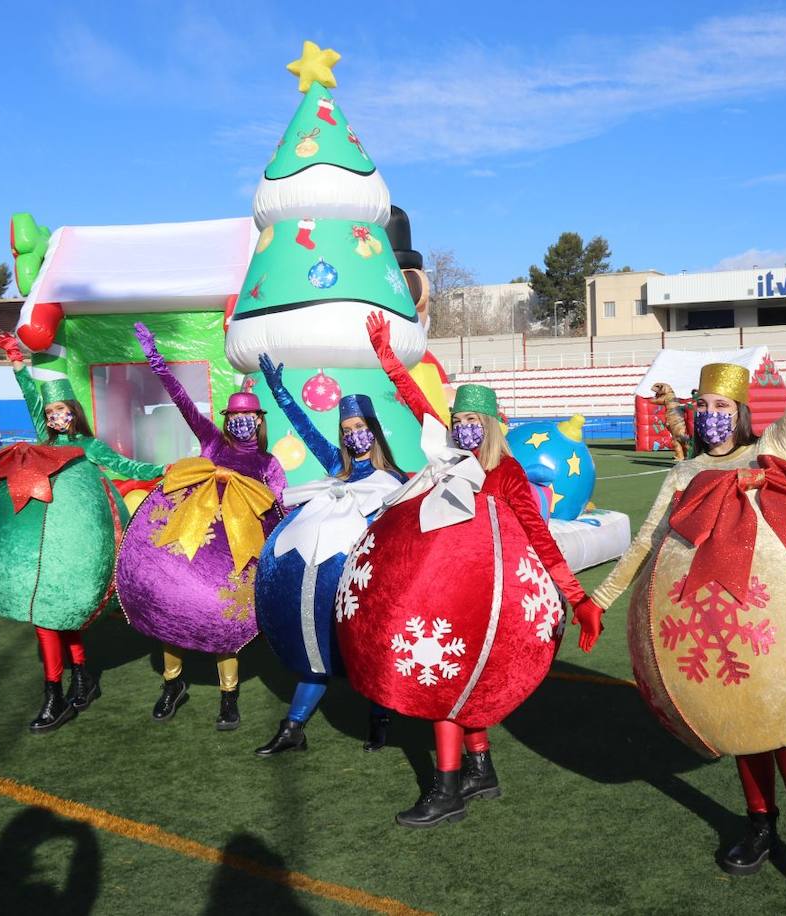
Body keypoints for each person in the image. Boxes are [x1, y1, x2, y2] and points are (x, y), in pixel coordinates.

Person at [590, 287, 786, 890]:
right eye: (701, 405)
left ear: (736, 413)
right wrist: (598, 600)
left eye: (719, 405)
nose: (710, 415)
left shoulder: (769, 450)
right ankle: (760, 824)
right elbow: (646, 544)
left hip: (781, 615)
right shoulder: (684, 473)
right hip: (717, 619)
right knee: (745, 726)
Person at [335, 312, 604, 828]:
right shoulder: (448, 458)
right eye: (458, 421)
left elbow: (540, 538)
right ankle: (480, 770)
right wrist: (388, 357)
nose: (462, 428)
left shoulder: (506, 474)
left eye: (472, 422)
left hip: (490, 605)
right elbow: (420, 407)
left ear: (491, 425)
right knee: (464, 685)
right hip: (447, 598)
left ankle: (448, 789)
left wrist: (579, 599)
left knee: (448, 688)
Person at [0, 330, 169, 734]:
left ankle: (79, 675)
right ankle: (55, 692)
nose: (57, 418)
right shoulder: (43, 442)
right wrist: (15, 358)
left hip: (78, 543)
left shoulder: (90, 446)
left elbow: (130, 468)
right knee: (47, 616)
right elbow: (32, 392)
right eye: (51, 414)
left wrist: (163, 471)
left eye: (63, 411)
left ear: (75, 412)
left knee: (69, 613)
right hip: (42, 542)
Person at [116, 323, 286, 731]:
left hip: (237, 555)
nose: (242, 425)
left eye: (249, 419)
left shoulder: (269, 464)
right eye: (236, 418)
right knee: (172, 604)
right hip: (192, 542)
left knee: (226, 617)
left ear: (258, 422)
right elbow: (182, 401)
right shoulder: (213, 444)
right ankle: (172, 683)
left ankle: (229, 697)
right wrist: (154, 359)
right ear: (227, 421)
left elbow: (278, 508)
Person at [252, 352, 406, 756]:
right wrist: (280, 393)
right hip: (322, 580)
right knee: (316, 644)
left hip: (368, 582)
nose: (354, 434)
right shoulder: (337, 465)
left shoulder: (397, 478)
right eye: (347, 429)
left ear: (373, 431)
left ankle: (380, 720)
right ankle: (293, 728)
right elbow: (305, 429)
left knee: (369, 648)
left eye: (360, 427)